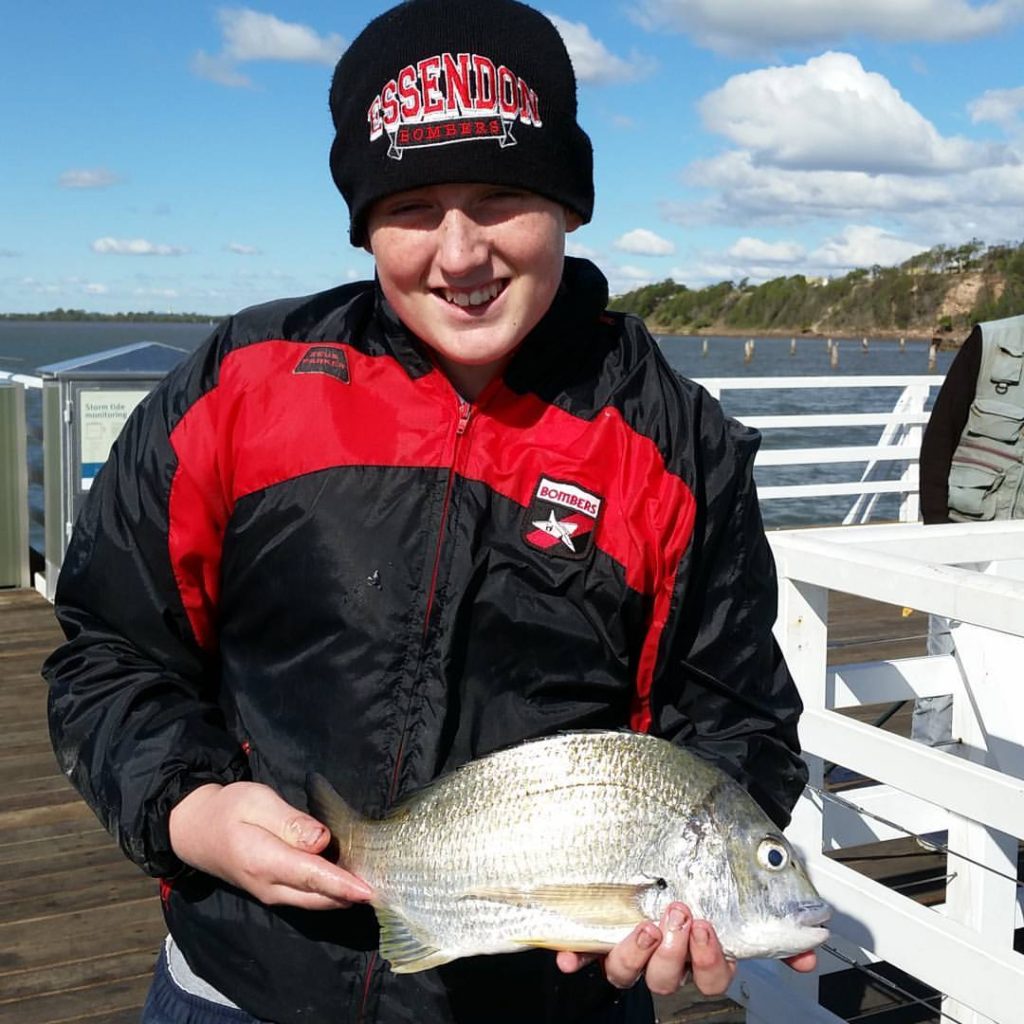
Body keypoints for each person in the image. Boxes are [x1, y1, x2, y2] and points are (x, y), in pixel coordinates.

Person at [43, 2, 815, 1022]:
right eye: (411, 205)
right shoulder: (241, 385)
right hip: (238, 985)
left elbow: (734, 720)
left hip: (548, 999)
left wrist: (693, 901)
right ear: (363, 219)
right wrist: (192, 810)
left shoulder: (678, 449)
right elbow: (107, 649)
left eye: (500, 196)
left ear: (569, 205)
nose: (459, 253)